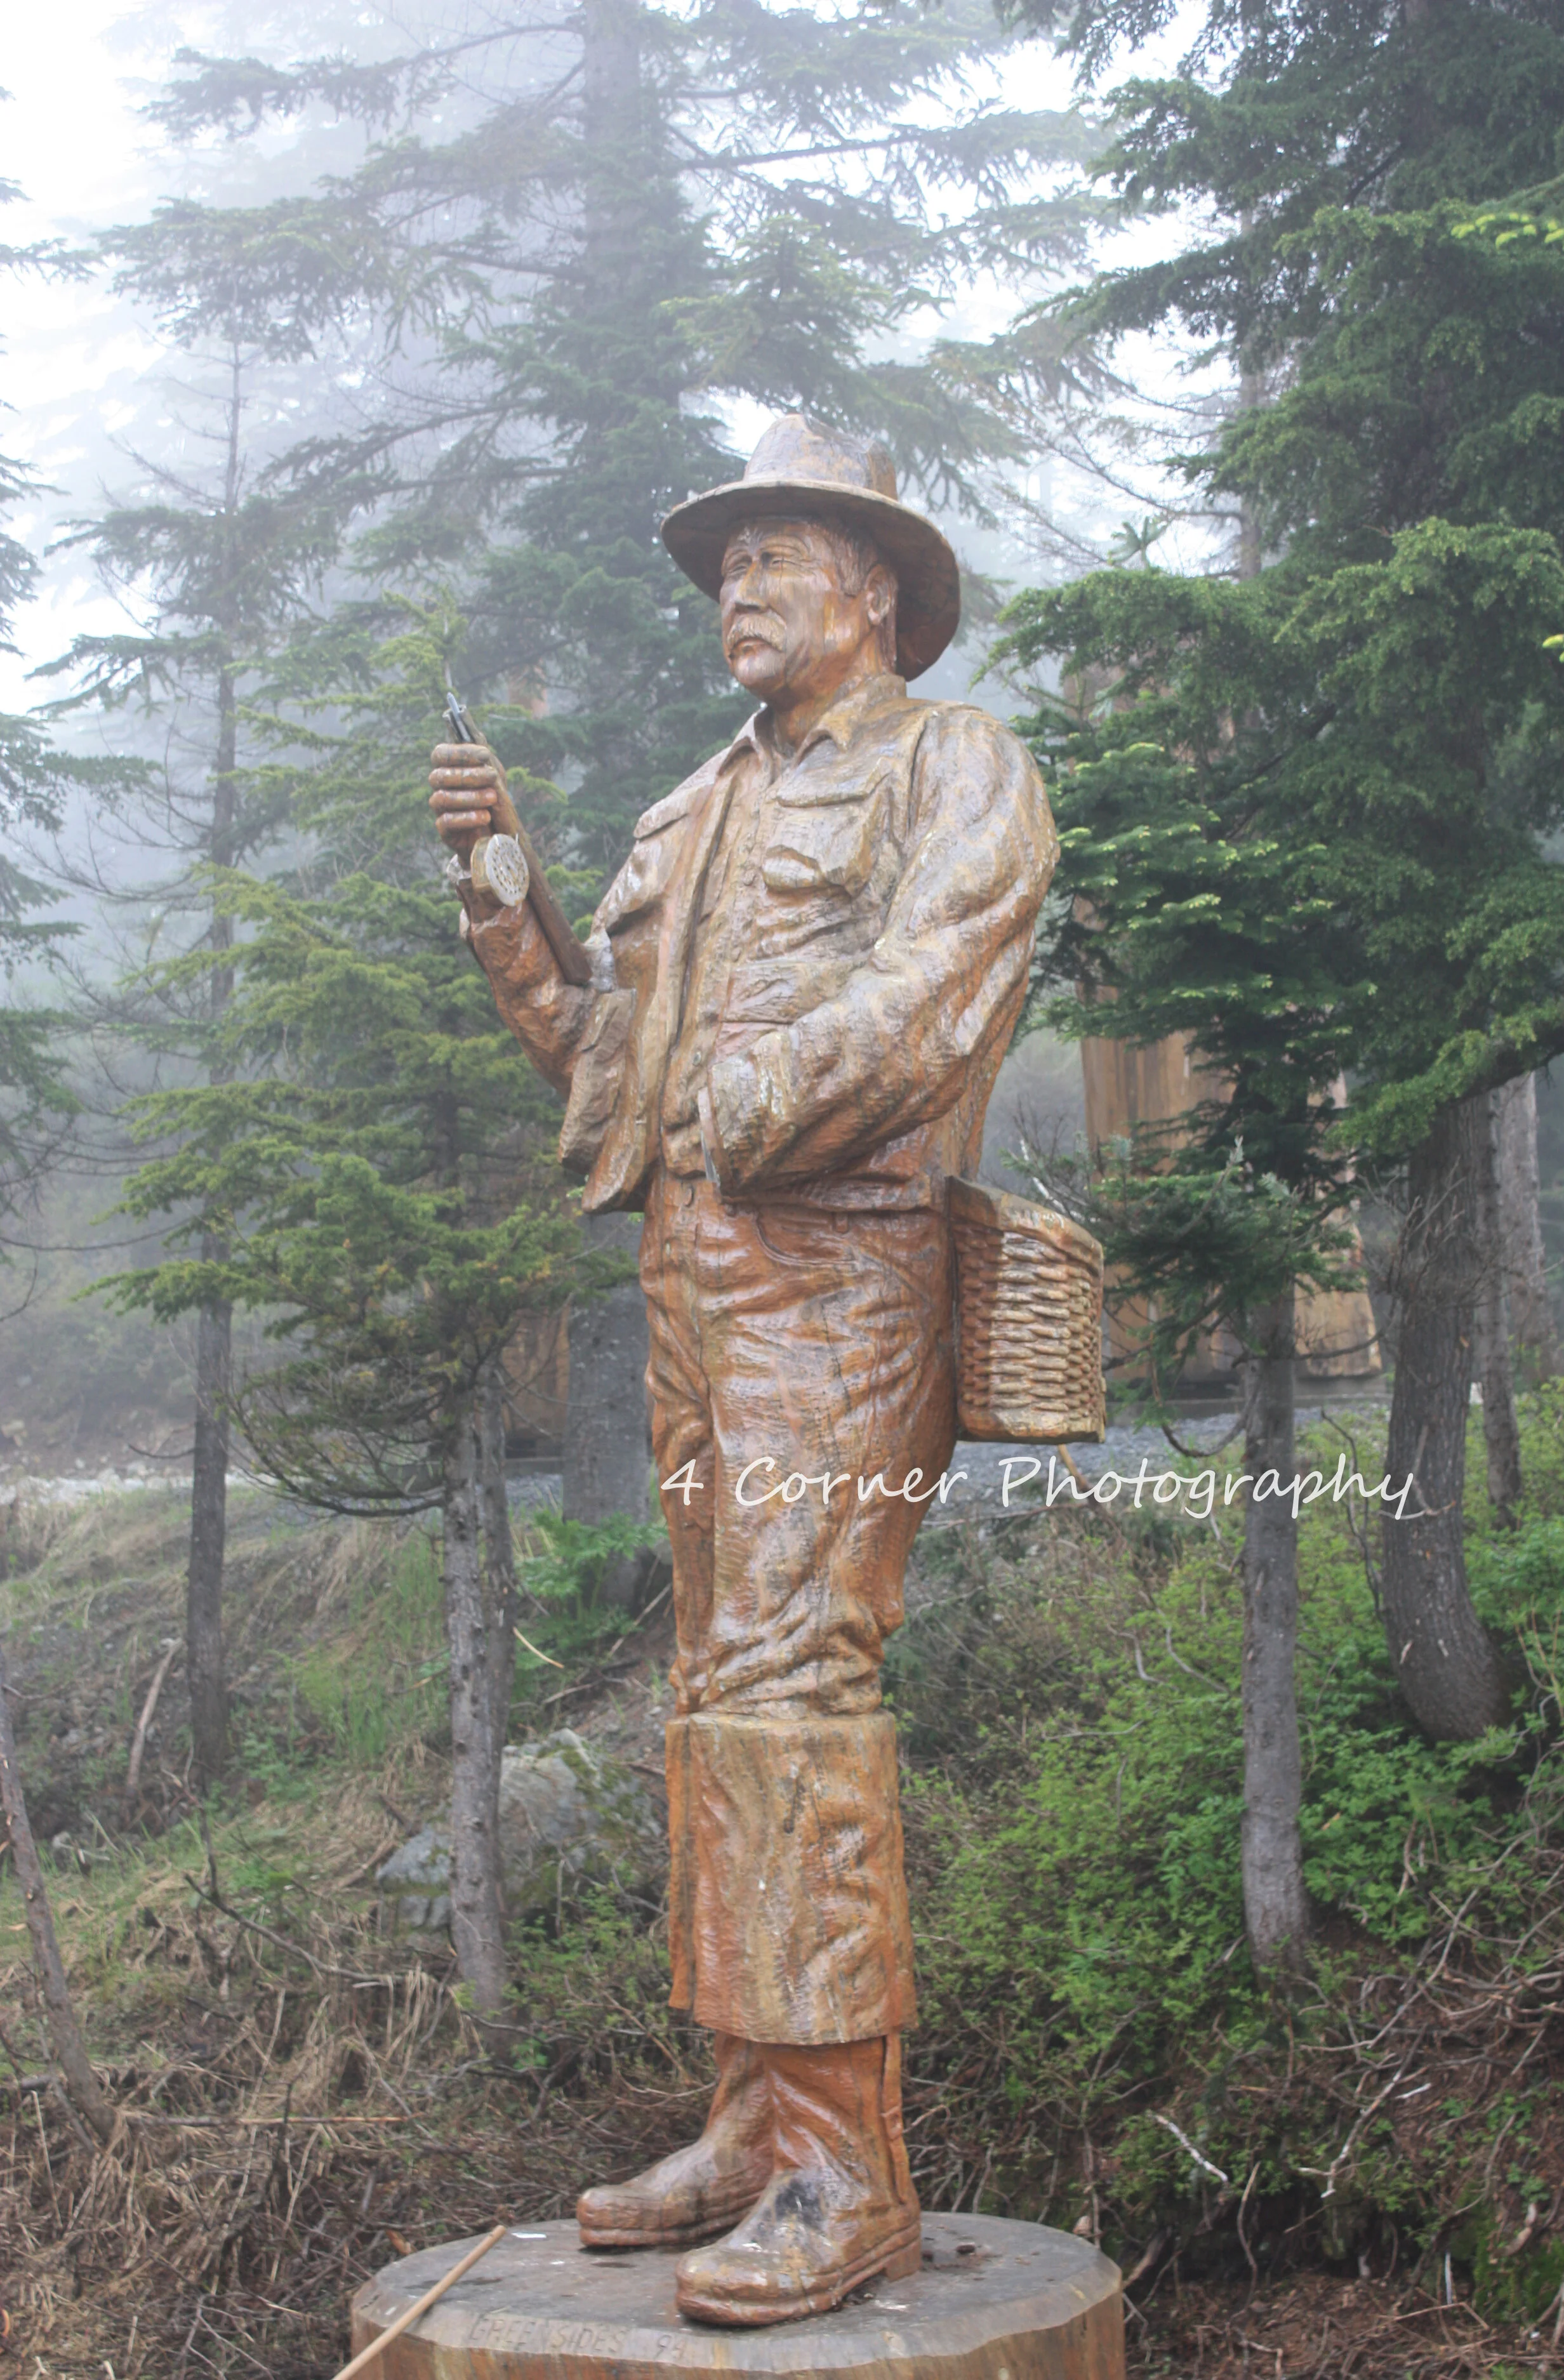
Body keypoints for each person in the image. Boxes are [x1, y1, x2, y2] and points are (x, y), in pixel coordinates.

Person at [430, 413, 1058, 2326]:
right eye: (724, 567)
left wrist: (734, 1096)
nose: (740, 589)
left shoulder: (957, 767)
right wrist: (505, 903)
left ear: (873, 585)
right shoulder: (691, 805)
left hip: (842, 1268)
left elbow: (937, 991)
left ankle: (845, 2165)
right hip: (696, 1277)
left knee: (796, 1675)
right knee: (717, 1683)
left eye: (776, 556)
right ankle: (752, 2110)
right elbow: (604, 1072)